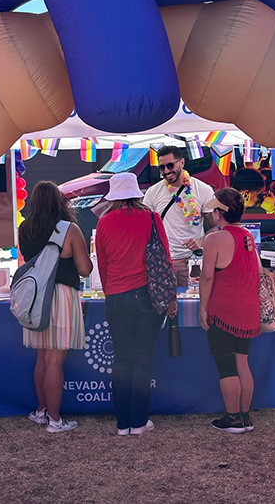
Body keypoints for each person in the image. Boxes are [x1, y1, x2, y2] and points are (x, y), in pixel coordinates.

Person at [96, 173, 176, 436]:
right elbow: (165, 258)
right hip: (146, 296)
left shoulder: (105, 222)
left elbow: (103, 265)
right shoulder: (151, 217)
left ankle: (122, 423)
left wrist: (111, 293)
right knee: (142, 359)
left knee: (121, 360)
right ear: (136, 193)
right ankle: (139, 421)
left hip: (116, 297)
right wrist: (171, 297)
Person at [18, 181, 92, 433]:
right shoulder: (69, 229)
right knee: (54, 361)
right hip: (61, 296)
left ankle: (41, 411)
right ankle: (55, 420)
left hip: (36, 298)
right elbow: (84, 269)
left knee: (42, 357)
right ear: (60, 202)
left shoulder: (24, 228)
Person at [198, 187, 260, 433]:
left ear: (218, 213)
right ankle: (244, 416)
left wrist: (203, 309)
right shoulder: (247, 236)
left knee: (226, 366)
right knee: (242, 364)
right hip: (247, 309)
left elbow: (206, 277)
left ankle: (232, 417)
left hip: (223, 310)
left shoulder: (214, 238)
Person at [143, 145, 215, 287]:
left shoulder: (203, 189)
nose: (166, 171)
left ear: (182, 162)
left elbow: (215, 227)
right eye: (162, 168)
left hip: (193, 261)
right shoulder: (152, 192)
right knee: (165, 307)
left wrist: (200, 241)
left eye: (170, 165)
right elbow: (145, 228)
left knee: (192, 305)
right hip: (164, 261)